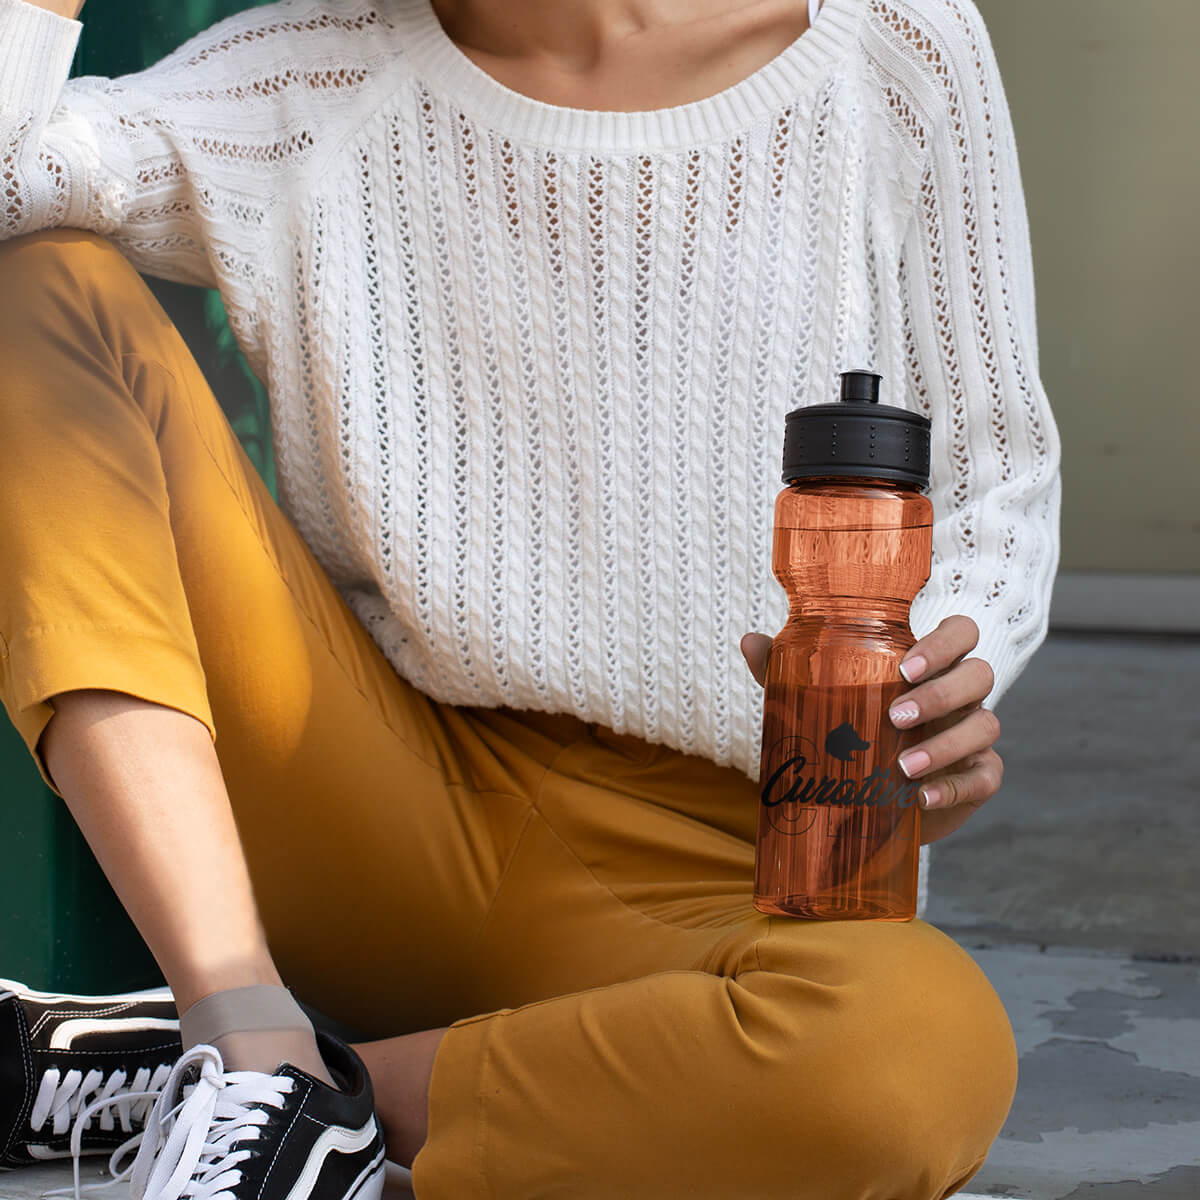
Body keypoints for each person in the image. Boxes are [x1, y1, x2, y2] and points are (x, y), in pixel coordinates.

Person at [0, 0, 1060, 1195]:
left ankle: (303, 1092)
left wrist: (942, 674)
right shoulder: (304, 71)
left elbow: (996, 474)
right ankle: (238, 1023)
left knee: (910, 1056)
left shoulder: (895, 42)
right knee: (33, 292)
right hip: (380, 793)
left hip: (732, 867)